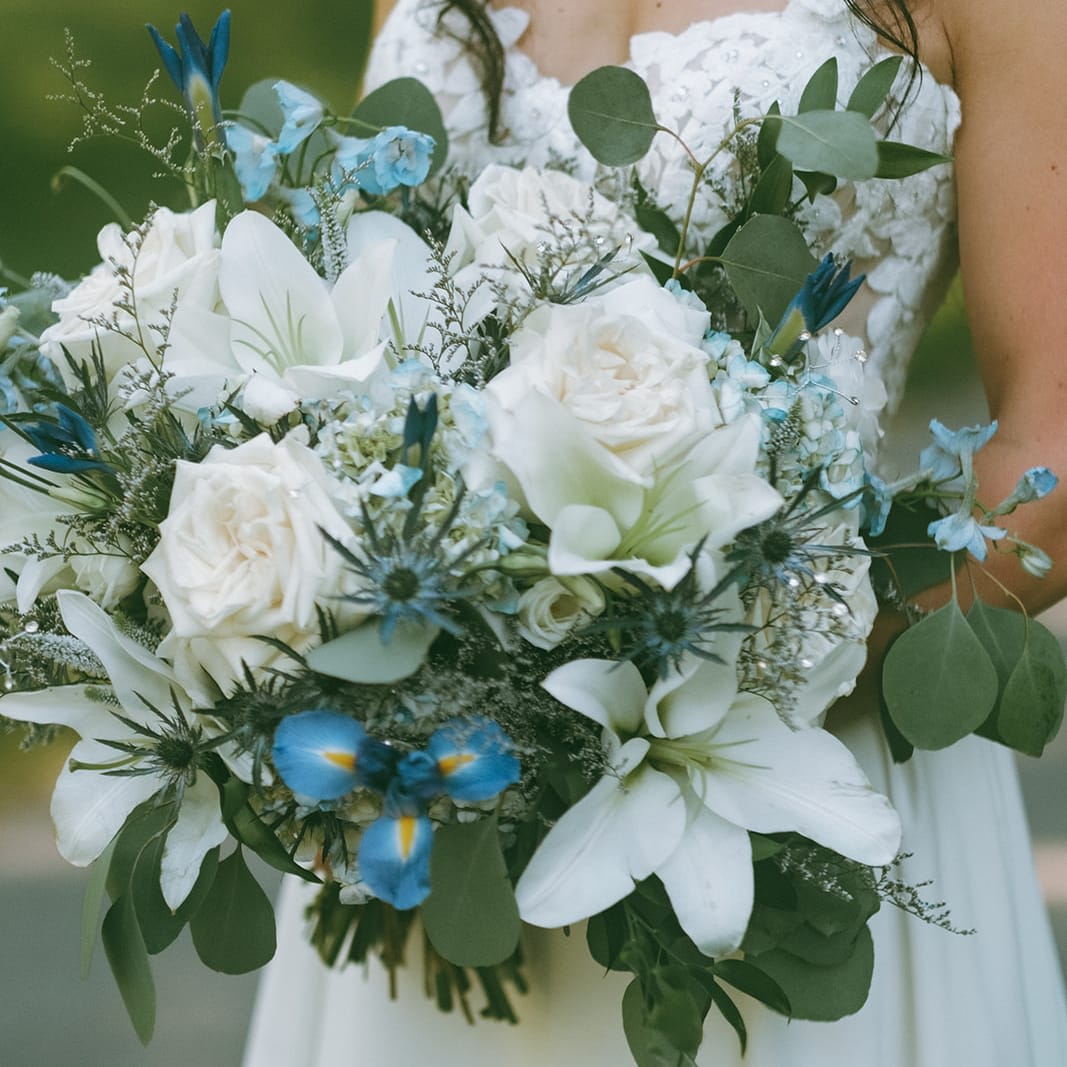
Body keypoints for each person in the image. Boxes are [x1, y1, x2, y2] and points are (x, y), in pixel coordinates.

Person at [243, 2, 1067, 1063]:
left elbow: (1045, 461)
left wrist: (755, 665)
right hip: (441, 787)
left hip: (784, 760)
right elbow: (362, 312)